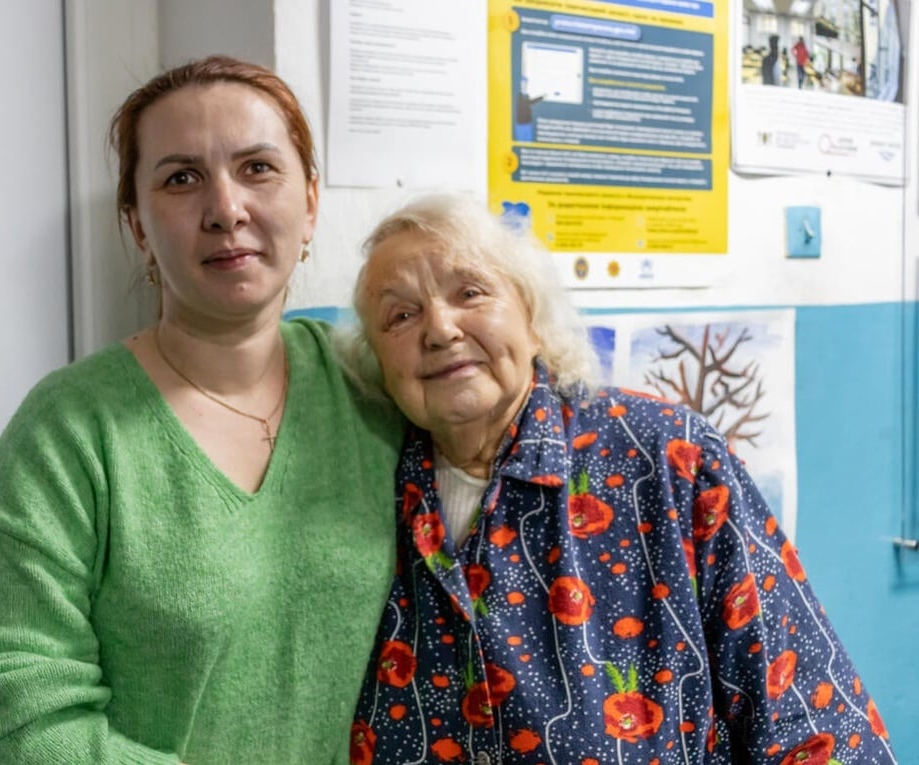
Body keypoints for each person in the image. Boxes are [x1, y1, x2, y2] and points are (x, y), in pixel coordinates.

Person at [0, 55, 404, 764]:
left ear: (311, 204)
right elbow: (10, 722)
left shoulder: (369, 385)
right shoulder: (70, 431)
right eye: (181, 178)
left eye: (258, 168)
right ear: (139, 226)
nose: (226, 209)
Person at [342, 194, 896, 764]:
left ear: (532, 321)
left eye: (471, 292)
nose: (439, 329)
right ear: (380, 365)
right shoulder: (366, 478)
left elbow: (812, 722)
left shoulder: (668, 458)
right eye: (400, 316)